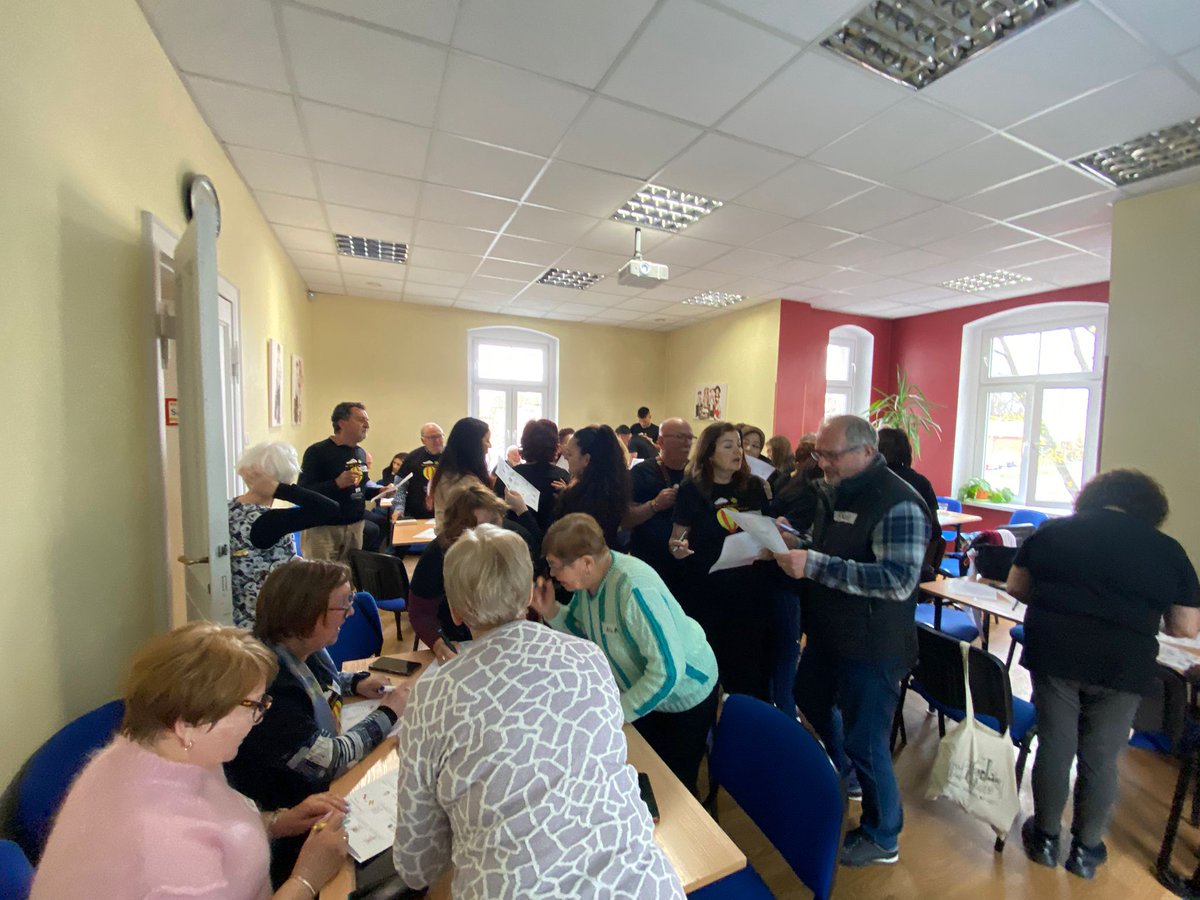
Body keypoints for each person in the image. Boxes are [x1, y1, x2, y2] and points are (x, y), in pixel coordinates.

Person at [391, 524, 684, 899]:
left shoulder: (433, 695)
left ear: (456, 611)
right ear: (529, 594)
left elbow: (417, 867)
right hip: (645, 886)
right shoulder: (587, 658)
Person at [31, 622, 350, 900]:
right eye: (253, 706)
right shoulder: (165, 847)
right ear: (186, 725)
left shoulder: (163, 753)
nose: (259, 719)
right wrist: (307, 878)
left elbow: (216, 827)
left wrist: (278, 822)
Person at [1007, 469, 1200, 879]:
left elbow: (1016, 586)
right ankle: (1085, 849)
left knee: (1056, 746)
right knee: (1101, 756)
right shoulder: (1168, 550)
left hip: (1055, 653)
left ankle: (1043, 838)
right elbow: (1186, 627)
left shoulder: (1053, 533)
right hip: (1123, 665)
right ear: (1149, 507)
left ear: (1092, 497)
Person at [773, 415, 929, 868]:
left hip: (873, 644)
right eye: (819, 453)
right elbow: (837, 546)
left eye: (830, 455)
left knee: (868, 739)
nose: (821, 463)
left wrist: (814, 564)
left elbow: (898, 580)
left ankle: (883, 834)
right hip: (832, 632)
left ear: (866, 452)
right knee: (807, 694)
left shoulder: (899, 503)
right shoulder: (840, 489)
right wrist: (794, 541)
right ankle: (848, 776)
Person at [226, 558, 410, 886]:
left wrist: (354, 682)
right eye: (344, 605)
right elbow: (331, 761)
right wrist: (390, 713)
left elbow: (322, 680)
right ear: (309, 613)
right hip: (286, 829)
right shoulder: (273, 689)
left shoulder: (293, 651)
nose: (351, 612)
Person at [534, 514, 718, 793]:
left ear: (585, 562)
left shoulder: (633, 589)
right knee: (643, 771)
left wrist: (619, 712)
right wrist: (551, 611)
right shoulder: (590, 582)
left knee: (673, 785)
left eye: (555, 567)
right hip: (647, 692)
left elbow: (668, 671)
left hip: (684, 694)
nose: (553, 576)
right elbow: (586, 629)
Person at [668, 421, 773, 700]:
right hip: (705, 589)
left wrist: (769, 548)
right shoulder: (692, 490)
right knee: (708, 667)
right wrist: (679, 548)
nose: (738, 450)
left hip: (747, 590)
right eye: (728, 445)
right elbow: (677, 539)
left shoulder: (754, 487)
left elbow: (766, 531)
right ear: (710, 453)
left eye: (739, 444)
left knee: (747, 669)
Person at [409, 484, 540, 663]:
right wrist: (439, 644)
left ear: (502, 517)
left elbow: (533, 604)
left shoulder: (519, 542)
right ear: (454, 529)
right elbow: (420, 612)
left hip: (516, 641)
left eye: (492, 522)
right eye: (472, 526)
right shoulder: (436, 554)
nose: (484, 532)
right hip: (462, 644)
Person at [229, 442, 339, 629]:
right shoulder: (268, 521)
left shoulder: (230, 507)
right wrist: (279, 489)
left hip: (237, 616)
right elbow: (329, 509)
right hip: (265, 622)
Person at [297, 402, 395, 562]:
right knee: (322, 580)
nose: (367, 425)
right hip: (324, 529)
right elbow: (303, 491)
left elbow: (359, 489)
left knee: (349, 579)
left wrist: (380, 491)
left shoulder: (360, 453)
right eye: (361, 419)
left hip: (355, 527)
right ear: (342, 422)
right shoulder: (317, 452)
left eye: (367, 420)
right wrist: (336, 484)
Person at [624, 417, 693, 593]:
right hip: (651, 563)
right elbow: (625, 519)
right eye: (680, 437)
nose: (687, 442)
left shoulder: (697, 474)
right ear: (660, 441)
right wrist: (654, 505)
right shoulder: (641, 472)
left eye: (690, 437)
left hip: (689, 563)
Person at [876, 427, 942, 582]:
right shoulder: (922, 482)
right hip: (918, 567)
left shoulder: (873, 481)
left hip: (879, 568)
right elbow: (935, 530)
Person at [556, 424, 631, 549]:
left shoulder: (576, 498)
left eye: (569, 454)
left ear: (586, 459)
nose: (564, 457)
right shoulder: (617, 486)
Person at [495, 418, 562, 534]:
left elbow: (496, 512)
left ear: (524, 443)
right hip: (552, 541)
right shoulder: (561, 478)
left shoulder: (509, 476)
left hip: (512, 540)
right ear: (555, 446)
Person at [429, 417, 492, 533]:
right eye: (487, 441)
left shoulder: (448, 472)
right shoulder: (464, 483)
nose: (490, 446)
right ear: (473, 445)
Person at [394, 423, 444, 519]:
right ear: (423, 440)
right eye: (432, 438)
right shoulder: (412, 457)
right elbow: (400, 485)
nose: (437, 441)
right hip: (418, 513)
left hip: (446, 513)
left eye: (439, 436)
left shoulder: (453, 456)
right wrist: (399, 508)